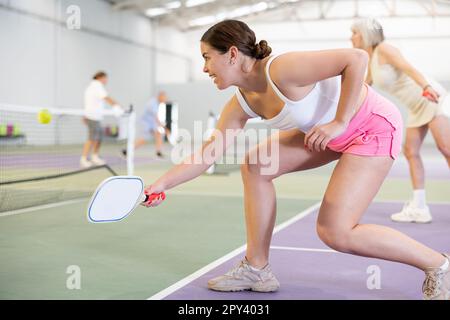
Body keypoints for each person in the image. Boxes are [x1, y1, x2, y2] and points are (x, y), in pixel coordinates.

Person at [141, 20, 449, 299]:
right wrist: (160, 185)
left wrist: (340, 122)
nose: (205, 68)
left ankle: (439, 265)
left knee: (336, 232)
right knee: (256, 164)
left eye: (207, 57)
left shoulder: (282, 69)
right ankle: (257, 268)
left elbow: (356, 59)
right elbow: (209, 154)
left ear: (232, 54)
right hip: (326, 133)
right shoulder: (241, 103)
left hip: (373, 126)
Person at [350, 18, 450, 223]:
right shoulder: (370, 60)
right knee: (411, 152)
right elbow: (364, 88)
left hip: (429, 97)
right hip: (415, 108)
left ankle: (419, 206)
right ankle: (419, 207)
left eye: (355, 33)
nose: (351, 37)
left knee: (446, 149)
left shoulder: (385, 49)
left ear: (366, 35)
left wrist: (426, 87)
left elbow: (410, 68)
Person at [80, 71, 122, 168]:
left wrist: (84, 115)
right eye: (105, 78)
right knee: (92, 138)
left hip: (95, 116)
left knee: (98, 138)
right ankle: (83, 158)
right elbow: (106, 98)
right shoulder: (97, 86)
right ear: (100, 77)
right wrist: (117, 106)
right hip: (92, 116)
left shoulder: (90, 87)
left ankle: (95, 156)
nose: (106, 81)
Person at [123, 91, 170, 158]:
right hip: (146, 124)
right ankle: (127, 151)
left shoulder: (157, 103)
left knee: (158, 134)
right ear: (160, 96)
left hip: (150, 123)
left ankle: (158, 152)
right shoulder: (153, 103)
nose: (165, 100)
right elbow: (156, 118)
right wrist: (165, 129)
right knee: (143, 140)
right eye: (164, 98)